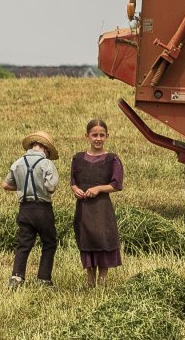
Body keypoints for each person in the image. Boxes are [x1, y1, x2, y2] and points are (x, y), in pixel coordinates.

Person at [69, 118, 126, 289]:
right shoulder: (78, 158)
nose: (98, 138)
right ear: (87, 136)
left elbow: (117, 185)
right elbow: (73, 181)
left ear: (107, 136)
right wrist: (75, 189)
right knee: (87, 240)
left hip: (102, 208)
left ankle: (102, 281)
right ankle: (89, 280)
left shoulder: (112, 159)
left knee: (103, 239)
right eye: (95, 135)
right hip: (84, 208)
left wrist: (99, 188)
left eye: (102, 135)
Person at [3, 130, 60, 288]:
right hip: (42, 209)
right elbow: (50, 187)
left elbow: (6, 185)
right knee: (49, 243)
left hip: (25, 208)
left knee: (24, 243)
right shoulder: (47, 164)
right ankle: (43, 279)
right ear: (46, 148)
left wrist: (22, 187)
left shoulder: (18, 162)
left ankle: (17, 277)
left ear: (32, 145)